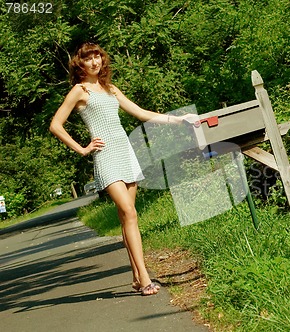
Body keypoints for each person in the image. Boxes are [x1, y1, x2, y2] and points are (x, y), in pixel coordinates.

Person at [50, 42, 192, 296]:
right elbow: (56, 125)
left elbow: (140, 113)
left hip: (126, 154)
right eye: (89, 58)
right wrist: (82, 149)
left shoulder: (110, 89)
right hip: (106, 157)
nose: (95, 62)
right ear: (80, 63)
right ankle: (146, 278)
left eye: (98, 57)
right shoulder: (79, 91)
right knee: (129, 212)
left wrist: (179, 119)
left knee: (128, 217)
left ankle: (137, 277)